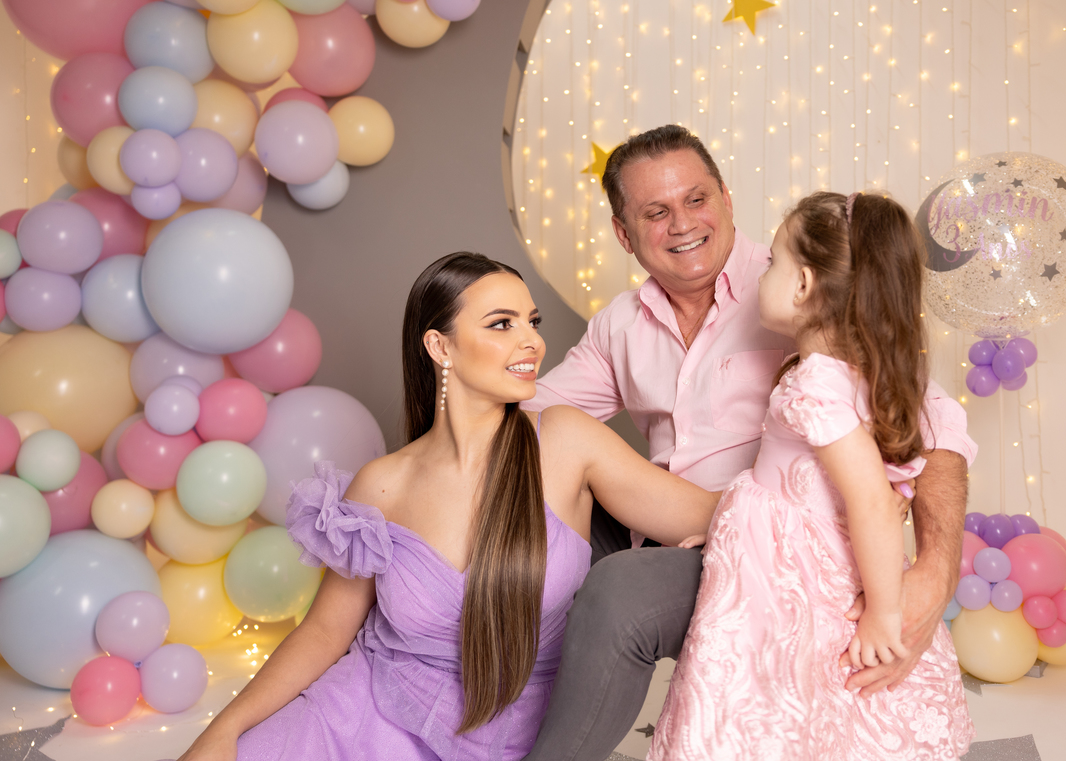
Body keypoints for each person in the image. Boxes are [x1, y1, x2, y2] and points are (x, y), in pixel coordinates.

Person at [521, 125, 975, 761]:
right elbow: (536, 407)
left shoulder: (806, 293)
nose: (683, 223)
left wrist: (936, 566)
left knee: (617, 589)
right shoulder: (621, 324)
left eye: (696, 199)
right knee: (537, 460)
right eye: (656, 212)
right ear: (624, 234)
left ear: (726, 198)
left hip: (772, 547)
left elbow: (931, 422)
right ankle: (487, 712)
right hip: (685, 526)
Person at [177, 252, 719, 761]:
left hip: (515, 733)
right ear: (440, 347)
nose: (532, 342)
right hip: (364, 712)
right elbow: (324, 633)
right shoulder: (381, 485)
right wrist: (225, 728)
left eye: (532, 322)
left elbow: (720, 517)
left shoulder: (565, 442)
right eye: (502, 324)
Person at [649, 191, 974, 759]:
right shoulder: (859, 373)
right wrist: (733, 534)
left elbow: (871, 501)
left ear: (802, 285)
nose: (761, 275)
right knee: (815, 693)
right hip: (780, 552)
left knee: (768, 685)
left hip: (793, 572)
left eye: (773, 262)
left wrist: (884, 612)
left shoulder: (815, 385)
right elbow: (795, 492)